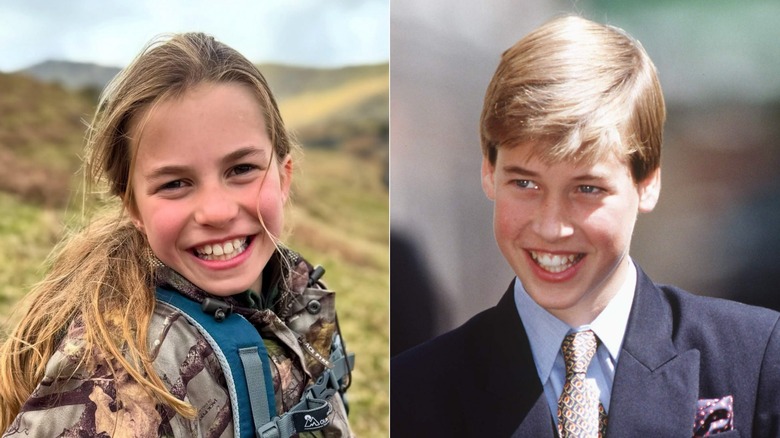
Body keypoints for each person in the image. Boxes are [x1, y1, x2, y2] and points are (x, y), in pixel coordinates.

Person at [391, 15, 780, 437]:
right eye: (525, 183)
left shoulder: (754, 357)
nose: (551, 227)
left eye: (588, 189)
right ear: (488, 172)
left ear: (647, 184)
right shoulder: (414, 392)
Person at [0, 33, 353, 437]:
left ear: (283, 175)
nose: (217, 212)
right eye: (175, 184)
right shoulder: (127, 372)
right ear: (133, 206)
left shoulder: (297, 285)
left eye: (241, 170)